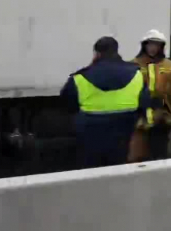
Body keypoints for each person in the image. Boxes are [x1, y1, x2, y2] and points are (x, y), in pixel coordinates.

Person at [61, 37, 149, 169]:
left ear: (97, 54)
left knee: (91, 170)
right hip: (125, 129)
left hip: (91, 132)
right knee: (119, 169)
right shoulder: (137, 74)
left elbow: (67, 103)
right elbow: (146, 101)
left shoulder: (80, 77)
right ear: (117, 51)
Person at [128, 29, 171, 162]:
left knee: (161, 152)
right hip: (140, 115)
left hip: (162, 114)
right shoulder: (134, 64)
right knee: (139, 153)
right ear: (144, 45)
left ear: (161, 47)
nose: (153, 48)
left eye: (156, 45)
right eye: (150, 44)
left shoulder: (167, 64)